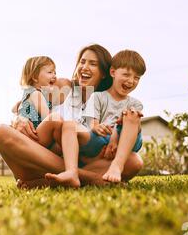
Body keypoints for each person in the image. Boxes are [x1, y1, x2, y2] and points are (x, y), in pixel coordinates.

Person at [0, 44, 144, 189]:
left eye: (92, 64)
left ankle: (45, 181)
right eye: (82, 62)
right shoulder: (64, 87)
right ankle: (89, 178)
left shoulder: (107, 102)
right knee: (0, 132)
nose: (84, 67)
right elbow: (30, 96)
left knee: (134, 161)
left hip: (77, 161)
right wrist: (21, 117)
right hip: (37, 156)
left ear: (105, 73)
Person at [45, 50, 146, 187]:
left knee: (131, 116)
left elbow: (129, 125)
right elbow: (93, 121)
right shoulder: (95, 96)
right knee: (68, 125)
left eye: (136, 78)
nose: (131, 81)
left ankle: (116, 166)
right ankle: (71, 172)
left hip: (125, 140)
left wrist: (114, 139)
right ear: (112, 72)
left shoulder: (135, 103)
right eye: (127, 75)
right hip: (99, 140)